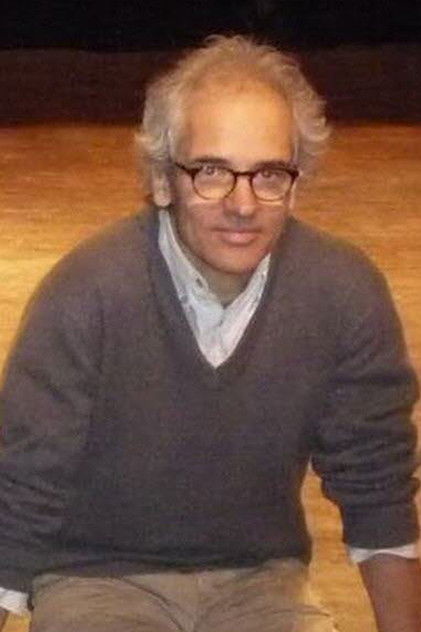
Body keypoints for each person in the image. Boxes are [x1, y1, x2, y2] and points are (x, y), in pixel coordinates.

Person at [0, 35, 420, 632]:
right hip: (96, 577)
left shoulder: (343, 291)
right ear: (163, 180)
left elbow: (377, 482)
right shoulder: (86, 294)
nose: (243, 204)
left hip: (261, 581)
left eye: (269, 174)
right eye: (213, 172)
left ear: (296, 183)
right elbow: (22, 488)